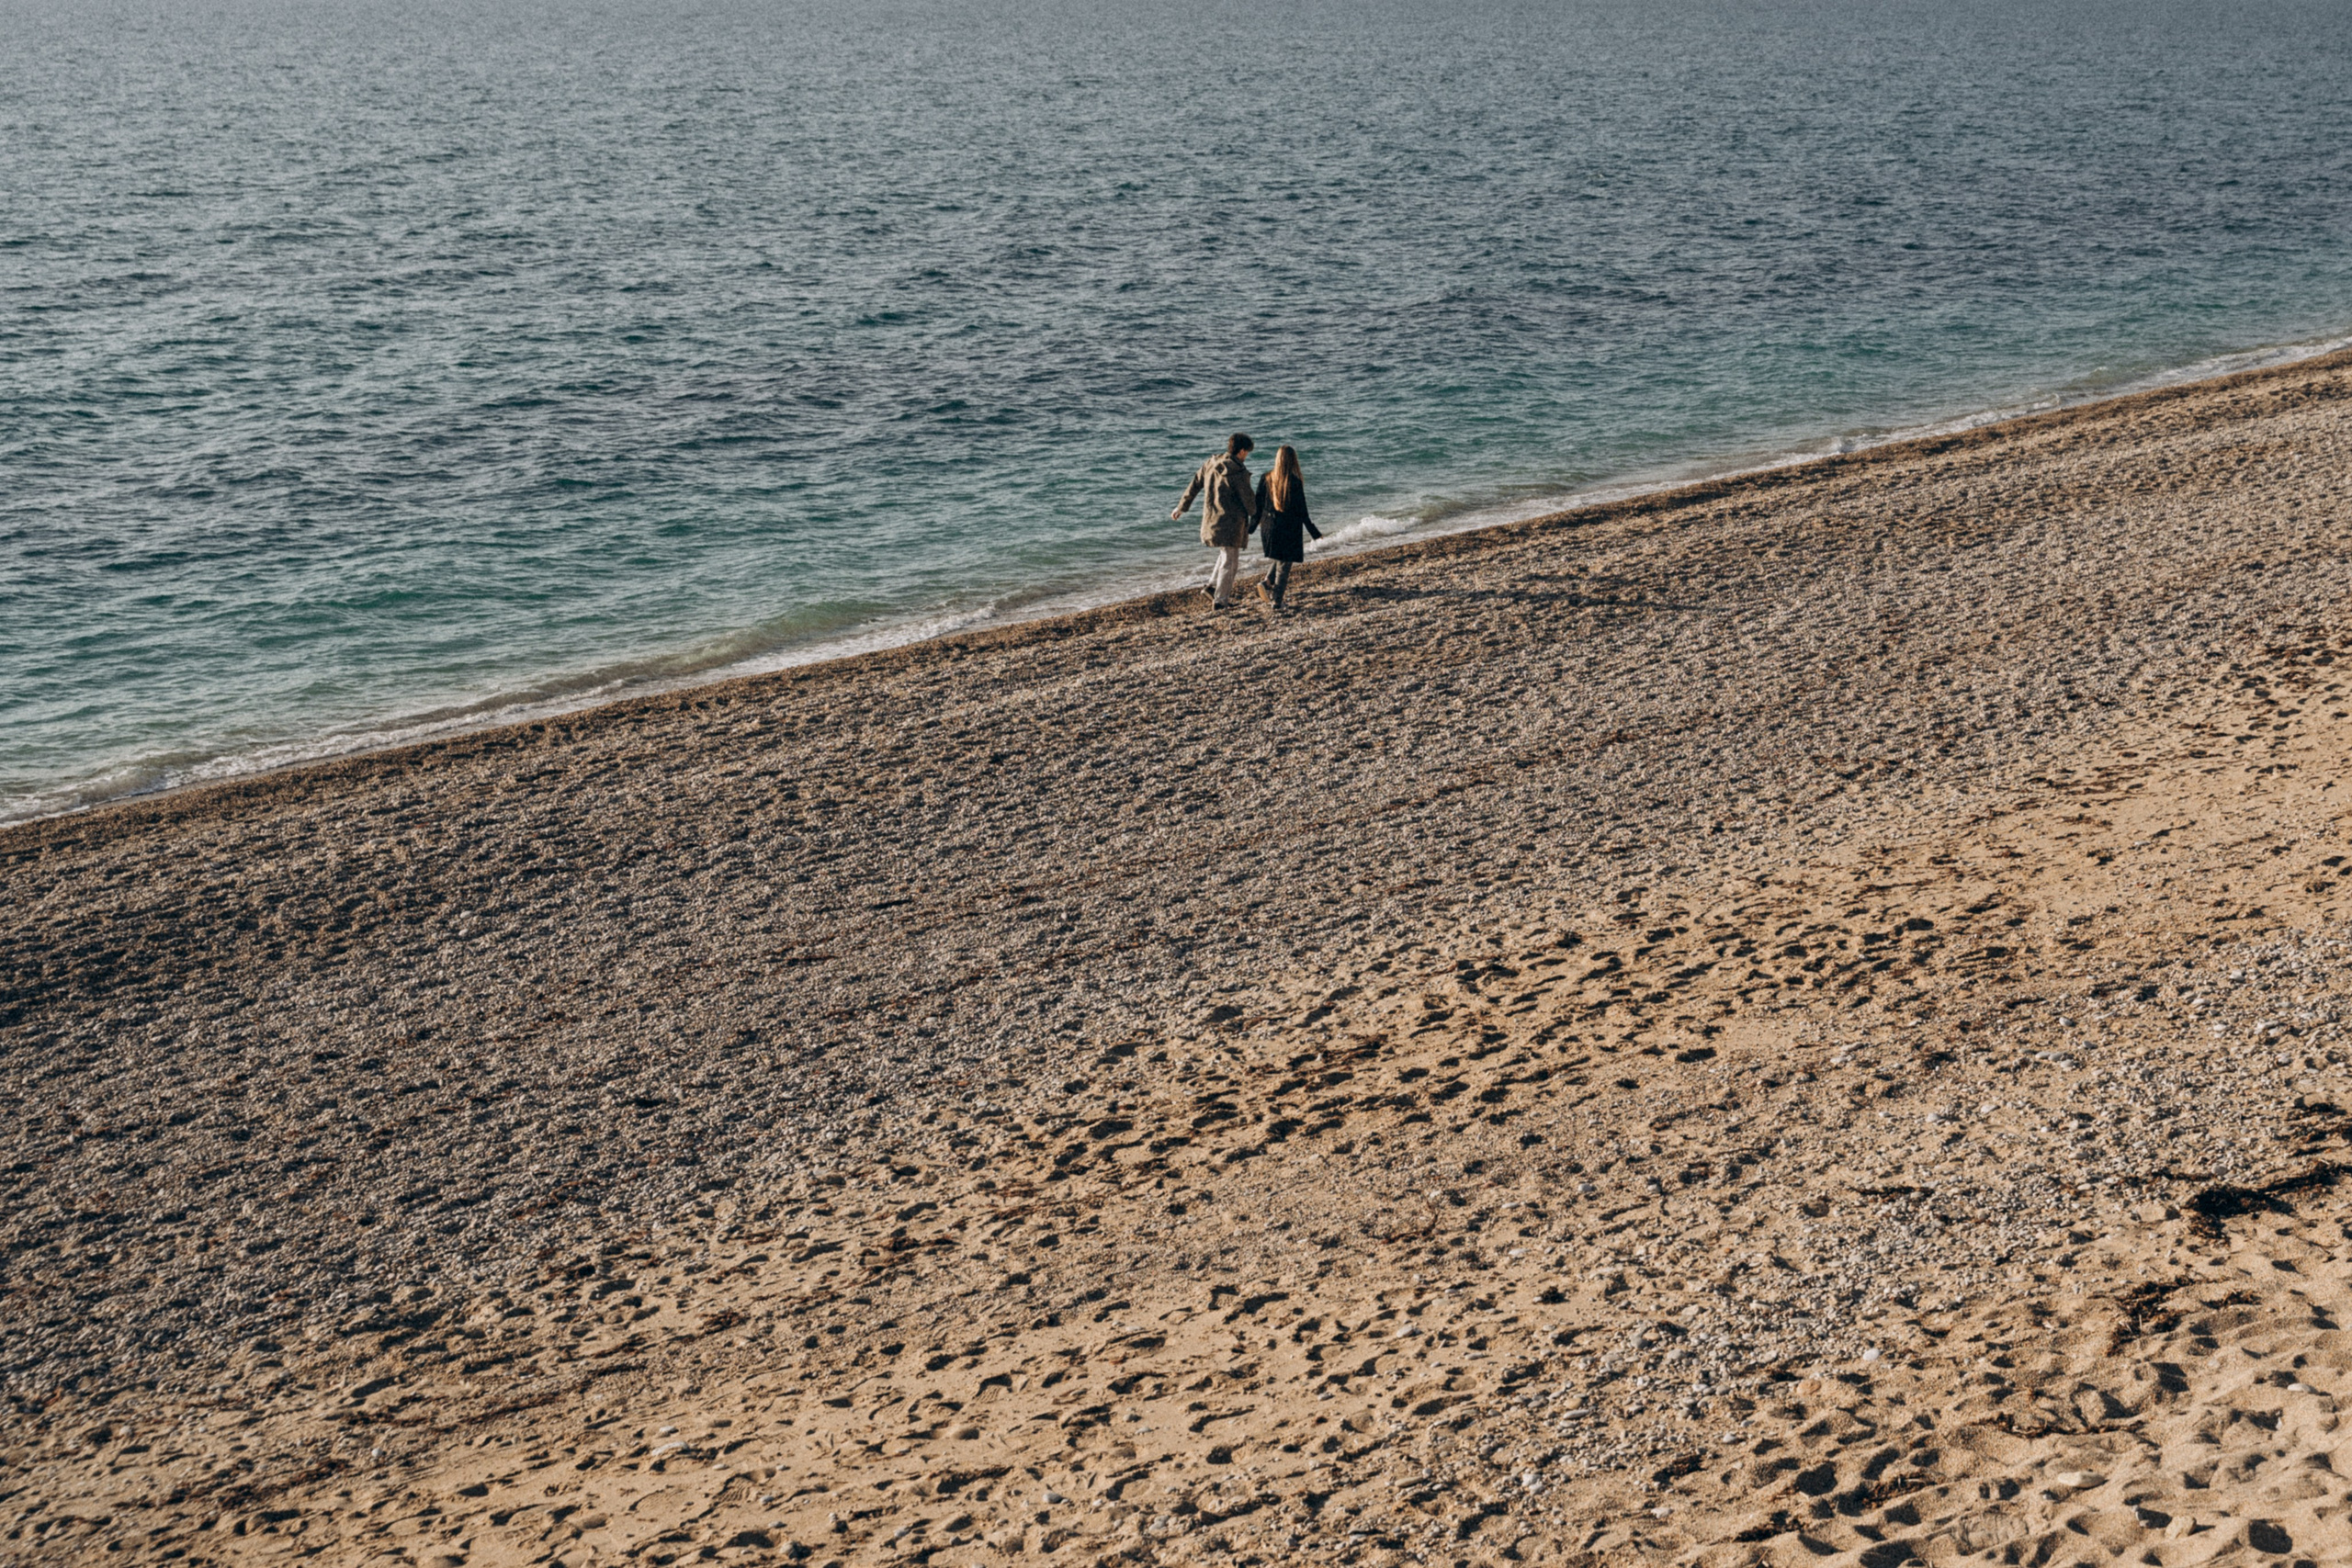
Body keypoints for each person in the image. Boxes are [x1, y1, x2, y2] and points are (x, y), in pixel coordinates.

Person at [1172, 434, 1259, 609]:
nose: (1246, 456)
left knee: (1225, 555)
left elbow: (1195, 484)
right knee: (1230, 562)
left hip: (1212, 520)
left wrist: (1181, 507)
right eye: (1247, 452)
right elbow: (1249, 500)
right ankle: (1220, 601)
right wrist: (1260, 517)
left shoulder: (1211, 463)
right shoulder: (1237, 471)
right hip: (1232, 524)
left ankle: (1212, 587)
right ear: (1242, 451)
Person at [1251, 445, 1320, 609]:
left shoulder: (1265, 478)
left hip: (1268, 527)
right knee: (1285, 564)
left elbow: (1257, 506)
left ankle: (1267, 582)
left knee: (1280, 557)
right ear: (1293, 461)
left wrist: (1251, 528)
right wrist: (1315, 533)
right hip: (1287, 528)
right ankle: (1277, 601)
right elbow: (1303, 512)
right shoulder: (1294, 482)